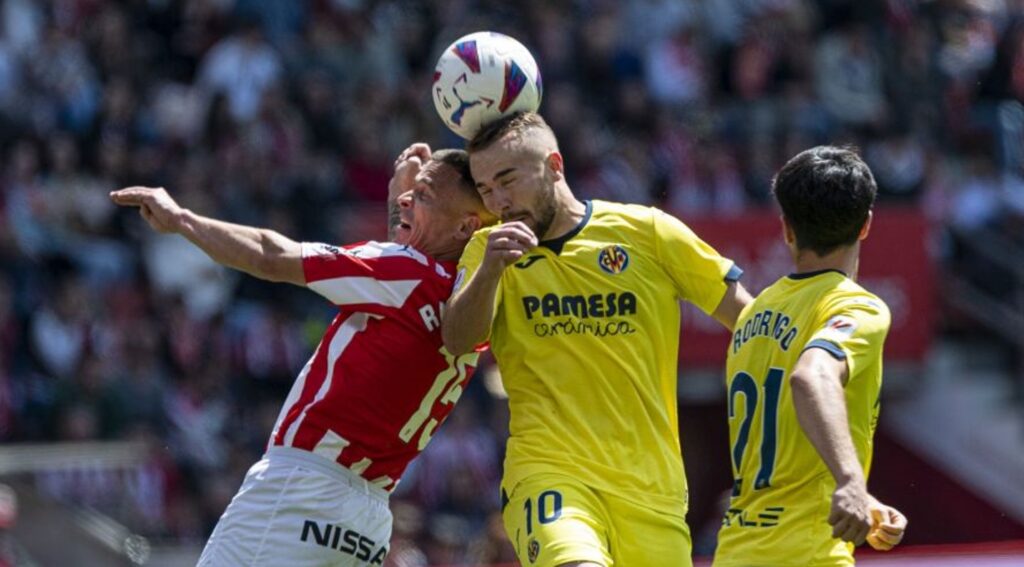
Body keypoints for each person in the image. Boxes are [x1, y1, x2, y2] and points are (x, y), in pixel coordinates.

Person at [110, 144, 496, 567]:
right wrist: (400, 201)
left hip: (302, 490)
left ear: (465, 228)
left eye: (423, 196)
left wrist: (181, 219)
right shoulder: (471, 306)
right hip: (367, 521)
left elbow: (272, 255)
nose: (406, 199)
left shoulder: (405, 275)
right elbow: (402, 284)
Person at [442, 111, 752, 567]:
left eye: (508, 180)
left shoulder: (647, 232)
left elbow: (750, 318)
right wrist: (491, 270)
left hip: (652, 491)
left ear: (554, 165)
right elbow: (458, 339)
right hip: (549, 475)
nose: (500, 201)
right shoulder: (486, 252)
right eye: (487, 189)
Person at [712, 146, 907, 567]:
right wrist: (852, 482)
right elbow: (812, 377)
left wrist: (865, 502)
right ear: (866, 225)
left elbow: (786, 458)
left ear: (786, 229)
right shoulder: (857, 308)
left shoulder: (754, 314)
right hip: (808, 553)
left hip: (735, 553)